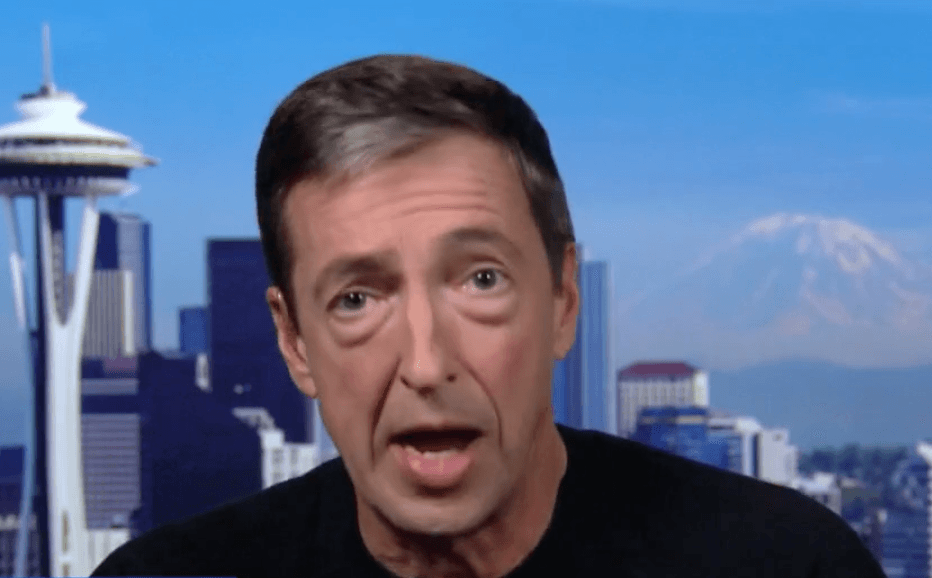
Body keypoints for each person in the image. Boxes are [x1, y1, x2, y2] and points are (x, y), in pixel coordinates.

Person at [92, 55, 886, 578]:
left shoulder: (782, 564)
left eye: (480, 280)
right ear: (294, 341)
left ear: (563, 301)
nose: (426, 363)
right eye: (357, 299)